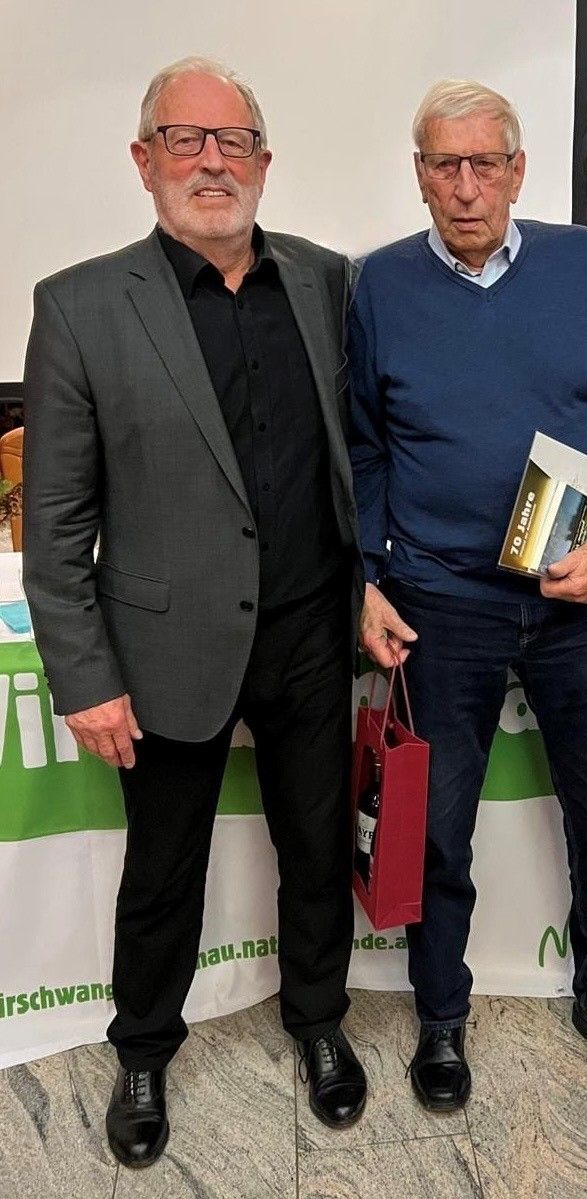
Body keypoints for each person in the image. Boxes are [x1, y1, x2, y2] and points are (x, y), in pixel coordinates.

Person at [22, 58, 366, 1167]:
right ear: (144, 161)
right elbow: (57, 518)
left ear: (265, 162)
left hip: (314, 630)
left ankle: (318, 1021)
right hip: (162, 646)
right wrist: (84, 673)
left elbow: (360, 454)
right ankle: (142, 1046)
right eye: (186, 140)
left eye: (234, 142)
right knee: (162, 866)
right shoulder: (78, 305)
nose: (212, 162)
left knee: (316, 847)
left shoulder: (326, 282)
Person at [348, 79, 587, 1111]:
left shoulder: (586, 267)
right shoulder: (377, 286)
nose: (463, 185)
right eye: (442, 164)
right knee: (441, 827)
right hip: (440, 598)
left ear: (518, 169)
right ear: (418, 175)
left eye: (482, 162)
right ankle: (441, 1015)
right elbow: (360, 450)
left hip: (576, 590)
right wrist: (364, 573)